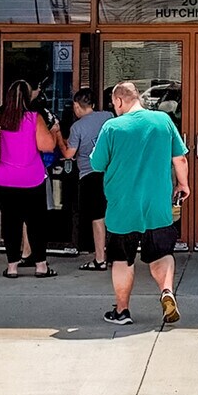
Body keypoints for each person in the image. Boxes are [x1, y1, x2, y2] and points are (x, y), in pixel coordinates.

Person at [87, 80, 187, 327]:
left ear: (119, 100)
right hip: (158, 205)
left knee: (122, 259)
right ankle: (166, 291)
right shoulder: (163, 121)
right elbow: (180, 159)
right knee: (162, 254)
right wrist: (183, 185)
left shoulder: (112, 127)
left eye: (114, 103)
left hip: (122, 206)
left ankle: (121, 311)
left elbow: (97, 164)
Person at [0, 80, 58, 278]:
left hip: (2, 178)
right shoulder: (33, 118)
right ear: (28, 97)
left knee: (10, 224)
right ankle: (41, 266)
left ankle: (12, 266)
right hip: (32, 178)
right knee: (35, 223)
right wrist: (54, 133)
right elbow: (47, 146)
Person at [62, 88, 113, 270]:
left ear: (76, 105)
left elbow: (69, 154)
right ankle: (116, 254)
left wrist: (59, 139)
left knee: (97, 217)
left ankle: (100, 258)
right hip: (112, 173)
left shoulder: (77, 127)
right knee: (113, 214)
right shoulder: (108, 116)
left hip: (90, 174)